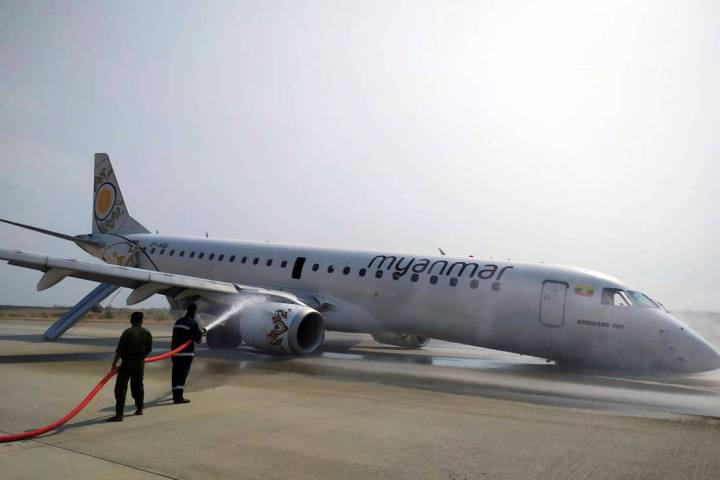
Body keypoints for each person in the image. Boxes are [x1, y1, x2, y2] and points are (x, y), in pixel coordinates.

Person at [106, 312, 153, 422]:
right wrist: (141, 358)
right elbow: (149, 349)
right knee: (138, 386)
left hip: (127, 363)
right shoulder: (147, 332)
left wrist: (114, 364)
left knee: (120, 388)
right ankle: (140, 409)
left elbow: (119, 350)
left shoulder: (128, 333)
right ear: (142, 321)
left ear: (131, 320)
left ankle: (119, 414)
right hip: (140, 363)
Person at [171, 303, 204, 404]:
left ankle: (175, 395)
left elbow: (174, 338)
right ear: (194, 311)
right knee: (182, 375)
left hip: (175, 353)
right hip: (186, 354)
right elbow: (198, 339)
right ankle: (179, 398)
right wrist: (202, 334)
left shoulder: (179, 321)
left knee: (175, 375)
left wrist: (172, 353)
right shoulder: (192, 322)